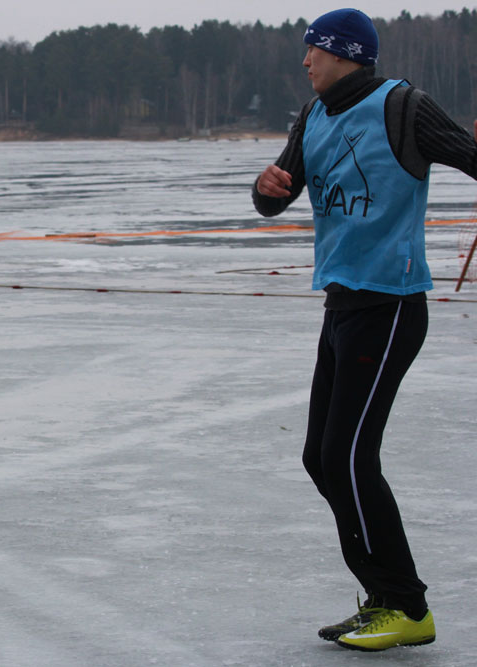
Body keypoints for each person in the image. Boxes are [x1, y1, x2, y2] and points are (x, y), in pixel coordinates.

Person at [253, 8, 477, 653]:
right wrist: (265, 189)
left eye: (313, 51)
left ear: (344, 53)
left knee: (348, 456)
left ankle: (406, 605)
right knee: (320, 457)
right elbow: (275, 196)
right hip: (343, 305)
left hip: (391, 304)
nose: (305, 62)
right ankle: (386, 596)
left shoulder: (402, 107)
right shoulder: (313, 116)